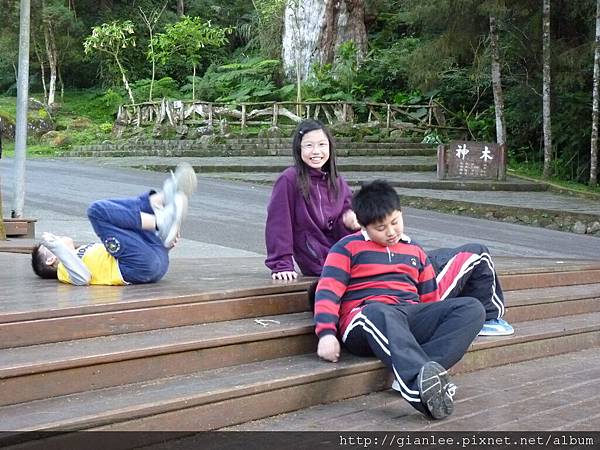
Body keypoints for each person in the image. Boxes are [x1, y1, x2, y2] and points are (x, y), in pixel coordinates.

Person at [313, 180, 485, 419]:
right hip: (364, 318)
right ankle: (416, 387)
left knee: (472, 308)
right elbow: (328, 291)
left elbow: (430, 299)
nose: (391, 232)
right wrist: (326, 334)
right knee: (379, 312)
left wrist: (434, 319)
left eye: (395, 222)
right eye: (381, 228)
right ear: (363, 226)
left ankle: (425, 374)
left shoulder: (415, 251)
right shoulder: (346, 248)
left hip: (407, 316)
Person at [31, 163, 197, 285]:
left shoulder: (83, 250)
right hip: (137, 267)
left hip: (152, 257)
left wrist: (165, 243)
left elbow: (126, 241)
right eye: (51, 245)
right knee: (97, 211)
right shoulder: (64, 268)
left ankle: (163, 201)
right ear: (51, 259)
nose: (58, 238)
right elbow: (83, 278)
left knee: (122, 218)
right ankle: (161, 219)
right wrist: (56, 246)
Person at [265, 119, 360, 281]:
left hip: (341, 253)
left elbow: (345, 220)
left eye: (322, 144)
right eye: (309, 145)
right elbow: (279, 223)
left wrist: (350, 222)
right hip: (315, 256)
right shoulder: (289, 179)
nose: (316, 151)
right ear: (299, 148)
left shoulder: (336, 181)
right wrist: (281, 264)